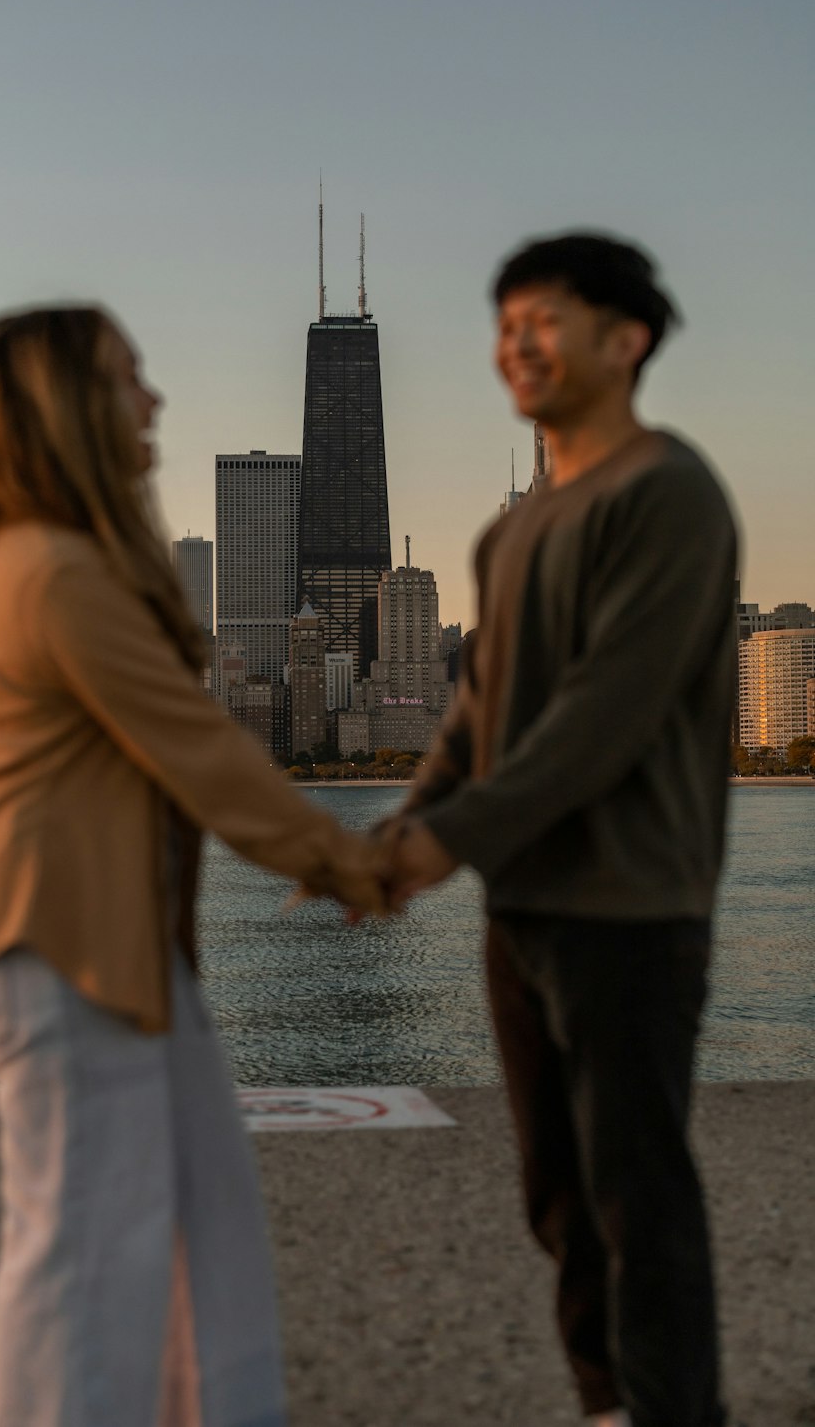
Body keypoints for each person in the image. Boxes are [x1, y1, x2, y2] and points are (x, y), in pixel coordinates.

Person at [0, 305, 387, 1427]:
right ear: (66, 408)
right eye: (129, 379)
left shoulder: (55, 559)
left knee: (208, 1227)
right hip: (60, 945)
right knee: (87, 1256)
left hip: (124, 948)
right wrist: (345, 861)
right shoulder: (49, 566)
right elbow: (193, 748)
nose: (154, 400)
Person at [382, 234, 736, 1427]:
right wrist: (403, 831)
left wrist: (449, 840)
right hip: (523, 910)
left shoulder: (666, 495)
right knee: (556, 1197)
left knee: (639, 1193)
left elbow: (605, 716)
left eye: (543, 319)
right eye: (504, 325)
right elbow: (478, 711)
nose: (516, 346)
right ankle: (604, 1404)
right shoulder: (513, 530)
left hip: (632, 909)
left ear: (624, 340)